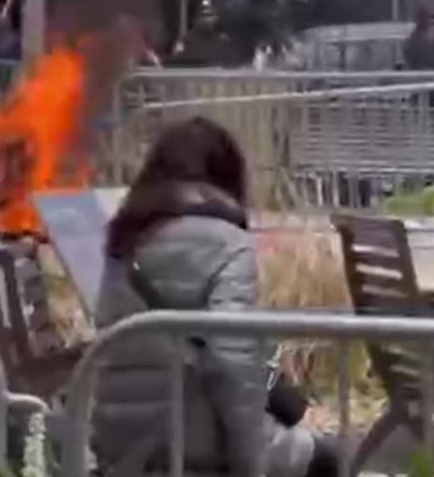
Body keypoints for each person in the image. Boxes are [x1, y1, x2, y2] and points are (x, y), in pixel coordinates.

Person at [92, 117, 339, 477]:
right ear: (227, 176)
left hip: (121, 444)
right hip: (194, 440)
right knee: (329, 459)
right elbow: (231, 362)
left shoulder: (123, 243)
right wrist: (252, 462)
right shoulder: (229, 245)